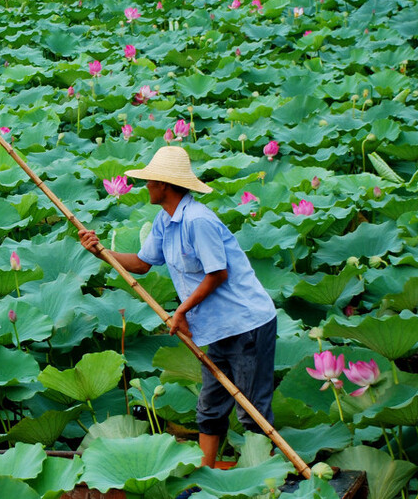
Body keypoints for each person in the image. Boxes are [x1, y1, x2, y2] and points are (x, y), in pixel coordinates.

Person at [78, 146, 278, 467]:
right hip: (217, 327)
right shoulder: (165, 220)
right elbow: (142, 263)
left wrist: (181, 311)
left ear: (164, 185)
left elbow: (218, 274)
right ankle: (204, 473)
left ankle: (268, 476)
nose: (145, 186)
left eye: (150, 181)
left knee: (252, 412)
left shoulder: (198, 221)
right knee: (210, 407)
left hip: (246, 323)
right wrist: (100, 251)